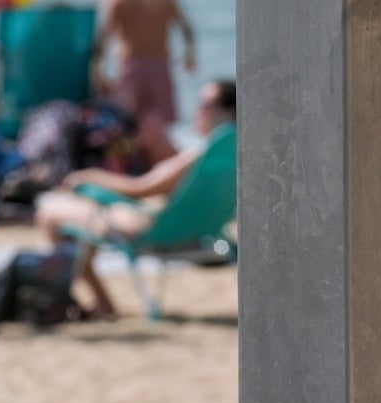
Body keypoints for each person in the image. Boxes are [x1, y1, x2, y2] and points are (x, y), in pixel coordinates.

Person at [34, 78, 236, 318]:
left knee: (49, 213)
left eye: (206, 103)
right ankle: (99, 300)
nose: (197, 109)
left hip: (154, 230)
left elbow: (139, 188)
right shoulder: (236, 153)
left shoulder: (197, 155)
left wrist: (91, 177)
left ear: (230, 112)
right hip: (201, 228)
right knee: (88, 214)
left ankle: (89, 299)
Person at [92, 0, 196, 165]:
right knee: (157, 125)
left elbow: (102, 40)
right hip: (160, 66)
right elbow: (186, 28)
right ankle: (155, 167)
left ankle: (139, 169)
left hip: (132, 67)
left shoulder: (118, 3)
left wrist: (97, 72)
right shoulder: (164, 3)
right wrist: (190, 54)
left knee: (128, 123)